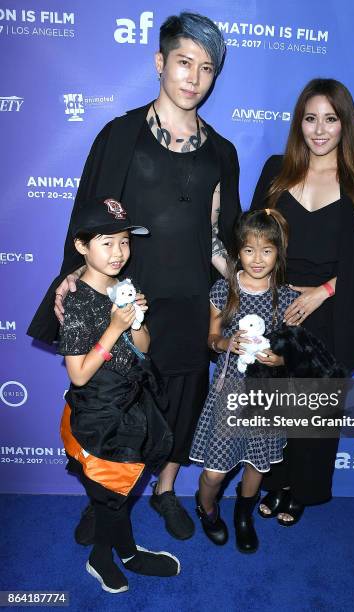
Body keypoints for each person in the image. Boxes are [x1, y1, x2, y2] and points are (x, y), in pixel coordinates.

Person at [27, 12, 241, 543]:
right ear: (159, 63)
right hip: (127, 305)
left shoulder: (222, 153)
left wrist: (247, 287)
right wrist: (73, 277)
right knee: (115, 403)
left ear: (214, 78)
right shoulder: (120, 135)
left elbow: (219, 235)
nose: (193, 76)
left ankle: (166, 490)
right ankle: (107, 497)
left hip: (191, 304)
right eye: (184, 62)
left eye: (206, 67)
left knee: (182, 401)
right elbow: (89, 220)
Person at [250, 78, 354, 525]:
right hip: (276, 309)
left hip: (334, 311)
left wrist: (325, 291)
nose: (319, 129)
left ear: (345, 125)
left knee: (313, 413)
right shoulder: (276, 171)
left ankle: (302, 489)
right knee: (274, 405)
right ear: (299, 124)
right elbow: (252, 240)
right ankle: (273, 482)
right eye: (310, 118)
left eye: (330, 120)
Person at [57, 196, 180, 593]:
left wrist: (135, 320)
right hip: (98, 415)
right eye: (106, 242)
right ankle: (101, 558)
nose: (118, 252)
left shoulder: (124, 287)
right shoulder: (76, 301)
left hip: (132, 406)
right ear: (82, 246)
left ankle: (126, 552)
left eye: (124, 241)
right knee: (111, 495)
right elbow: (77, 375)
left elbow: (143, 346)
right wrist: (113, 327)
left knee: (118, 493)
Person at [189, 209, 299, 553]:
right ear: (238, 251)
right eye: (249, 250)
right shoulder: (224, 290)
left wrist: (280, 358)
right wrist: (227, 343)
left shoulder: (288, 298)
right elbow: (210, 339)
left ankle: (243, 515)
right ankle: (206, 507)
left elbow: (292, 350)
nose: (257, 259)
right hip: (229, 396)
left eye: (266, 250)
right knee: (215, 473)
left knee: (256, 465)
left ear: (278, 253)